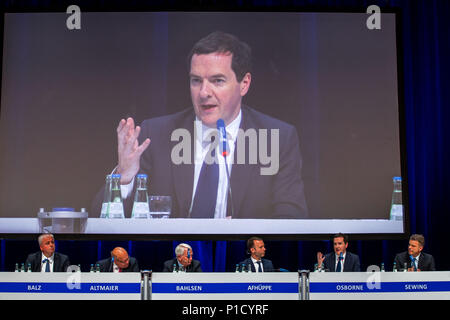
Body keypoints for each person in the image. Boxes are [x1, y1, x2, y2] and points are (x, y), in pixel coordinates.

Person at [92, 31, 308, 219]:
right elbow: (99, 218)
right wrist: (124, 177)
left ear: (244, 84)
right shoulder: (155, 136)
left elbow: (290, 218)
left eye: (217, 81)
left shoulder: (276, 139)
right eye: (196, 81)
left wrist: (243, 234)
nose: (204, 93)